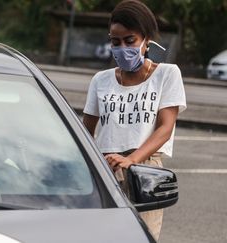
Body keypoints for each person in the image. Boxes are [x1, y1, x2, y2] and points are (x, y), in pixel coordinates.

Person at [82, 0, 186, 241]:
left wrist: (131, 160)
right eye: (115, 42)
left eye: (130, 41)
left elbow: (165, 127)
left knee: (139, 237)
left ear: (146, 40)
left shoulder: (167, 74)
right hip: (104, 170)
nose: (122, 48)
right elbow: (86, 130)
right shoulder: (101, 80)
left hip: (144, 171)